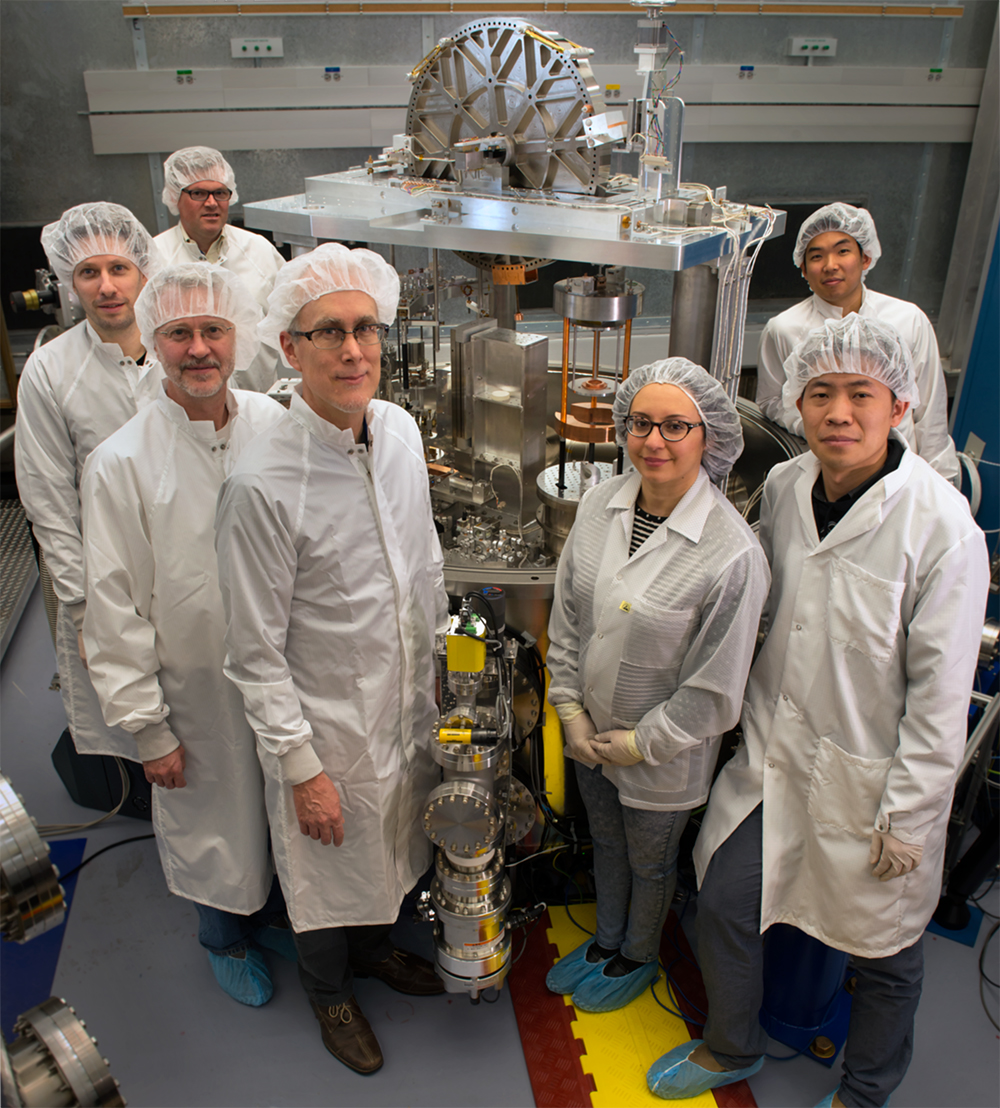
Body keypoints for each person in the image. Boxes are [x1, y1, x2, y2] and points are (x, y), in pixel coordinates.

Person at [647, 316, 990, 1108]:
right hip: (774, 755)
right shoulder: (785, 486)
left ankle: (866, 1090)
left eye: (860, 394)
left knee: (886, 954)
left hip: (873, 782)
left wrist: (909, 815)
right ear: (797, 404)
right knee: (725, 903)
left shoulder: (943, 530)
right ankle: (733, 1044)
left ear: (898, 405)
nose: (839, 412)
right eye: (820, 393)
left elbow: (941, 699)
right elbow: (756, 607)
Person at [214, 243, 448, 1074]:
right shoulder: (263, 484)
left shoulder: (400, 433)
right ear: (290, 349)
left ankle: (376, 949)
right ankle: (330, 991)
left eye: (366, 330)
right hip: (326, 721)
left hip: (403, 700)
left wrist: (440, 676)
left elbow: (423, 563)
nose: (353, 350)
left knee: (392, 843)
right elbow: (253, 651)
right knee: (324, 862)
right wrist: (302, 766)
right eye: (329, 334)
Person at [80, 264, 289, 1006]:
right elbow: (110, 607)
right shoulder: (121, 463)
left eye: (213, 330)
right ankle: (221, 936)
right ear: (153, 341)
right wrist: (147, 729)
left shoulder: (274, 425)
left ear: (240, 335)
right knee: (212, 813)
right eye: (178, 334)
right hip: (191, 690)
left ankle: (276, 911)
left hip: (283, 677)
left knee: (279, 802)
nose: (198, 348)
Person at [545, 358, 770, 1014]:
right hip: (590, 735)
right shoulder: (597, 505)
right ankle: (607, 938)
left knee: (650, 862)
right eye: (642, 423)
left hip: (663, 758)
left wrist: (642, 744)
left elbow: (717, 686)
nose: (654, 441)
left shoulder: (730, 552)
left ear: (709, 439)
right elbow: (568, 617)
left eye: (676, 426)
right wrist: (570, 709)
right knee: (605, 844)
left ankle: (638, 954)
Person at [15, 202, 162, 763]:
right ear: (68, 283)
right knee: (132, 718)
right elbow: (47, 497)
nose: (106, 287)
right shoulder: (52, 370)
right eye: (88, 273)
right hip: (105, 571)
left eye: (118, 269)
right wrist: (81, 608)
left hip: (193, 560)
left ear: (143, 271)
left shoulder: (182, 349)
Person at [756, 202, 959, 483]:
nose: (830, 265)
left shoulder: (907, 320)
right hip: (823, 469)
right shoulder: (784, 329)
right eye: (816, 256)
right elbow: (770, 400)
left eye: (843, 251)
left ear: (865, 259)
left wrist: (943, 482)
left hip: (900, 473)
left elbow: (930, 414)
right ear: (802, 268)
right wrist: (813, 425)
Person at [154, 145, 285, 391]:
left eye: (220, 193)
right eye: (199, 193)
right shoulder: (155, 258)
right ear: (175, 197)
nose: (212, 203)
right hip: (184, 402)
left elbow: (290, 323)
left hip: (257, 400)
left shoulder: (258, 251)